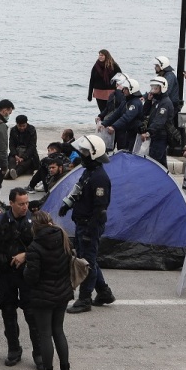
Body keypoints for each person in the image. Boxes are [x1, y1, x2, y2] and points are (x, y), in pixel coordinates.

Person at [0, 188, 42, 369]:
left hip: (28, 275)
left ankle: (39, 353)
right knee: (8, 311)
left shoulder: (36, 221)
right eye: (21, 204)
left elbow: (45, 246)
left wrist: (26, 255)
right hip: (6, 273)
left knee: (32, 314)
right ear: (11, 203)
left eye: (27, 203)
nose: (25, 207)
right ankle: (14, 350)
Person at [58, 135, 114, 314]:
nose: (81, 155)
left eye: (84, 153)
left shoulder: (100, 178)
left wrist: (90, 230)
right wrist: (67, 204)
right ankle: (104, 292)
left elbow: (100, 208)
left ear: (93, 154)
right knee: (88, 259)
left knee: (86, 263)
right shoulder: (89, 172)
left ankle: (84, 299)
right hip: (82, 223)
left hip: (90, 225)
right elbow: (78, 188)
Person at [24, 210, 73, 370]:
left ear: (35, 227)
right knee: (59, 330)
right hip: (62, 293)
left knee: (45, 334)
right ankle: (65, 369)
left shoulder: (34, 247)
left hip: (43, 296)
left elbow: (32, 277)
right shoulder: (63, 238)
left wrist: (25, 270)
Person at [141, 77, 174, 167]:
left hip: (161, 136)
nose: (153, 90)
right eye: (152, 87)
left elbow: (159, 121)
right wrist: (148, 100)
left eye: (155, 88)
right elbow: (145, 112)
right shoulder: (157, 101)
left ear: (162, 88)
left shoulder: (165, 103)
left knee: (154, 161)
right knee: (161, 163)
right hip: (156, 135)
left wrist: (148, 132)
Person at [104, 78, 144, 152]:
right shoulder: (126, 101)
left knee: (129, 153)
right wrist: (104, 123)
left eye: (126, 89)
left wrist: (113, 126)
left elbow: (127, 117)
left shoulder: (135, 103)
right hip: (125, 133)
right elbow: (116, 114)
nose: (123, 91)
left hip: (133, 134)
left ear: (131, 90)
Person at [9, 115, 39, 182]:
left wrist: (23, 157)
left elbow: (32, 146)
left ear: (26, 123)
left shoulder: (32, 129)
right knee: (11, 160)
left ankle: (15, 173)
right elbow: (11, 145)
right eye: (20, 126)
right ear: (17, 124)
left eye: (23, 126)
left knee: (25, 163)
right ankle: (11, 171)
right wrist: (15, 155)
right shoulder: (13, 130)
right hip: (17, 151)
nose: (22, 128)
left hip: (29, 153)